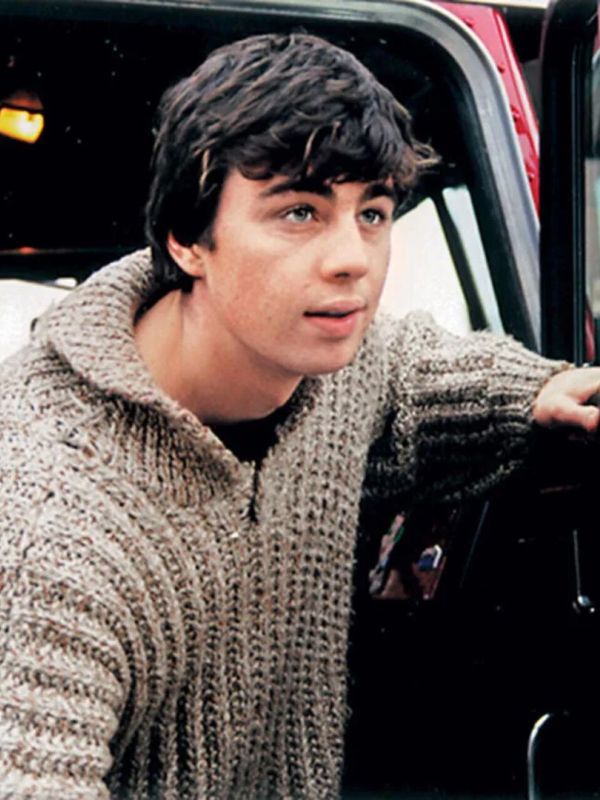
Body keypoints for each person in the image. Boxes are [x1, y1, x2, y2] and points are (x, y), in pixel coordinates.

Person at [0, 31, 598, 800]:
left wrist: (544, 392)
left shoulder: (318, 368)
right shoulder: (47, 513)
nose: (352, 259)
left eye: (372, 213)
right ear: (187, 239)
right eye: (299, 212)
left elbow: (407, 369)